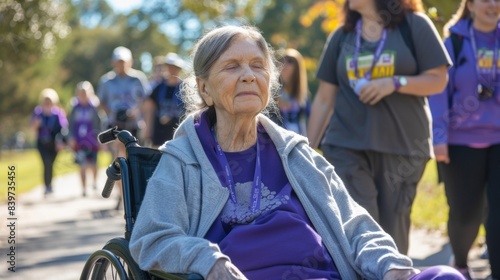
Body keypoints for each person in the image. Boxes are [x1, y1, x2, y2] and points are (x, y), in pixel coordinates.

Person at [129, 25, 465, 280]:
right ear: (204, 88)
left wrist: (390, 267)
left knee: (446, 276)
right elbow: (152, 239)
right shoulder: (183, 159)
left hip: (324, 274)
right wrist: (209, 261)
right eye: (232, 67)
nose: (248, 76)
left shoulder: (296, 153)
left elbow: (354, 225)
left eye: (257, 66)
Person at [307, 0, 451, 255]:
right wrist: (305, 152)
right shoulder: (342, 36)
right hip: (345, 145)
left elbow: (438, 80)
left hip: (403, 146)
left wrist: (395, 82)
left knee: (392, 232)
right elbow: (323, 98)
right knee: (358, 225)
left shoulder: (414, 25)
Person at [428, 0, 500, 279]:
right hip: (460, 143)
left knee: (498, 214)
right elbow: (438, 94)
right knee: (466, 215)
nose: (492, 4)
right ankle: (460, 262)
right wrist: (440, 137)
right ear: (470, 4)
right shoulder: (454, 41)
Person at [98, 46, 150, 209]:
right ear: (113, 62)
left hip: (134, 125)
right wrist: (112, 112)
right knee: (119, 160)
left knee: (135, 160)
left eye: (124, 61)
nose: (121, 64)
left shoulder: (138, 78)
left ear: (130, 61)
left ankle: (137, 194)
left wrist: (136, 111)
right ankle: (123, 196)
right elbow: (101, 102)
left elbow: (146, 100)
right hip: (115, 126)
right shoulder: (106, 81)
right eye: (118, 61)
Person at [67, 81, 104, 197]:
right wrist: (70, 138)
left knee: (93, 164)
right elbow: (70, 124)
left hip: (92, 140)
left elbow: (101, 123)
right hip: (79, 141)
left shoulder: (94, 107)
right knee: (82, 165)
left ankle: (94, 183)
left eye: (85, 92)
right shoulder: (74, 107)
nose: (83, 95)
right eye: (81, 92)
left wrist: (101, 139)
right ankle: (83, 188)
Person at [31, 88, 68, 196]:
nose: (47, 104)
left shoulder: (58, 113)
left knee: (51, 163)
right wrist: (36, 124)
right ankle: (47, 186)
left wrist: (61, 142)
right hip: (42, 143)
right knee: (46, 162)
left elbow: (63, 128)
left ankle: (49, 184)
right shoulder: (37, 112)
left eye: (49, 101)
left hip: (54, 143)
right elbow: (33, 128)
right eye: (45, 101)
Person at [143, 52, 185, 148]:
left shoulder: (185, 88)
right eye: (170, 67)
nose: (172, 70)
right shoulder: (159, 87)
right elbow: (150, 107)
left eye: (175, 67)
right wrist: (147, 128)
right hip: (159, 132)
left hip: (179, 133)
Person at [277, 48, 310, 135]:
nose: (285, 64)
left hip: (298, 139)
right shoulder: (272, 93)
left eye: (290, 61)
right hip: (278, 139)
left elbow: (311, 118)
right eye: (283, 60)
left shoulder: (304, 95)